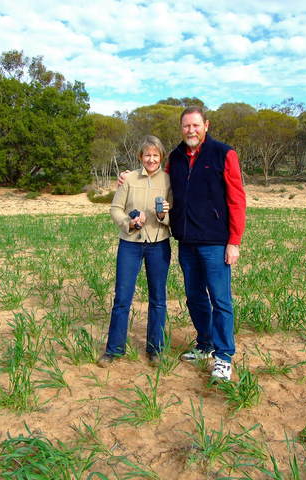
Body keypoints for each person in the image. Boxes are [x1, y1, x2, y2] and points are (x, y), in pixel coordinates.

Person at [119, 106, 246, 382]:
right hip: (186, 241)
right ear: (181, 128)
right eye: (186, 126)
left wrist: (233, 241)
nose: (191, 130)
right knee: (195, 297)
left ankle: (224, 357)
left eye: (196, 126)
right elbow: (154, 180)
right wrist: (128, 177)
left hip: (215, 242)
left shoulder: (224, 154)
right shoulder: (175, 157)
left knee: (221, 300)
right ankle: (205, 344)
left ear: (206, 126)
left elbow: (237, 199)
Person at [98, 135, 172, 368]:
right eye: (147, 155)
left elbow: (174, 216)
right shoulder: (128, 179)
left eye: (155, 155)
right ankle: (113, 350)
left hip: (159, 243)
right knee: (122, 299)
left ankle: (155, 350)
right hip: (130, 244)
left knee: (158, 300)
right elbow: (115, 208)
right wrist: (129, 224)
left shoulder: (169, 181)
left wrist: (163, 216)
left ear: (161, 157)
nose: (151, 159)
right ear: (141, 156)